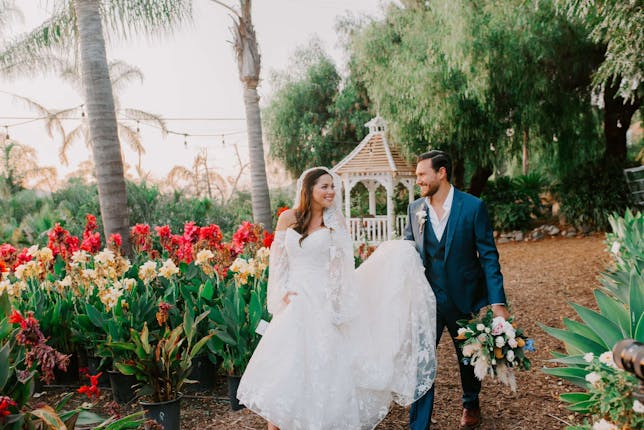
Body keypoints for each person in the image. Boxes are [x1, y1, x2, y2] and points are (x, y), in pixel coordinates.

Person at [237, 167, 437, 430]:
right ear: (308, 190)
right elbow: (279, 261)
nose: (331, 191)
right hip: (294, 304)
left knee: (321, 378)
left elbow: (341, 271)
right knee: (282, 377)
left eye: (332, 186)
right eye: (324, 186)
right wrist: (280, 293)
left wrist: (337, 306)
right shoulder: (288, 218)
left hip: (322, 303)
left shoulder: (335, 223)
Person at [404, 150, 510, 430]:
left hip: (464, 297)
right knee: (422, 360)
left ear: (441, 173)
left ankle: (471, 402)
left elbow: (488, 256)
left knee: (468, 356)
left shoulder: (473, 207)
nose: (419, 181)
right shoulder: (415, 209)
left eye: (422, 175)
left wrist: (498, 303)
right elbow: (408, 252)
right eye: (417, 176)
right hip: (428, 299)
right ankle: (419, 424)